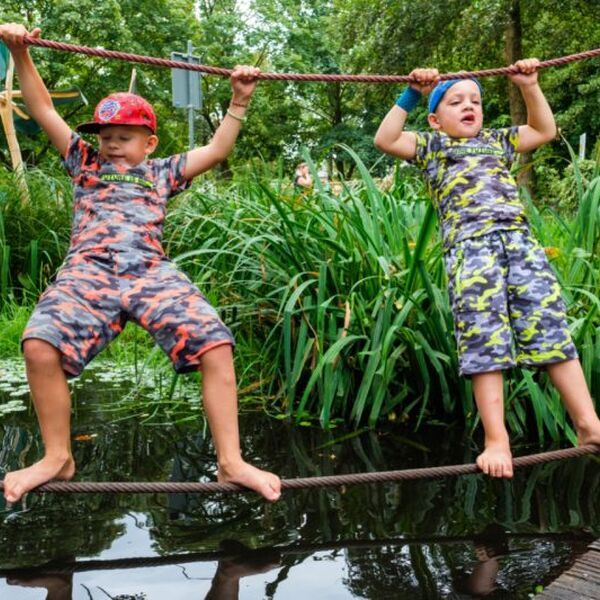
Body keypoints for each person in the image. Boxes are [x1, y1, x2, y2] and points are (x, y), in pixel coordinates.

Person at [0, 23, 281, 503]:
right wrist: (19, 53)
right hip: (88, 271)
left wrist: (240, 100)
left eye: (124, 136)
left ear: (148, 142)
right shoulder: (83, 162)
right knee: (39, 344)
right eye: (106, 135)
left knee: (215, 344)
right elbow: (43, 108)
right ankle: (57, 457)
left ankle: (231, 461)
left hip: (151, 272)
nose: (111, 144)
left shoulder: (162, 171)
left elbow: (217, 150)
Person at [374, 60, 600, 478]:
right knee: (485, 340)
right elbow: (385, 139)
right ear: (434, 119)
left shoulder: (497, 140)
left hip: (520, 244)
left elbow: (544, 131)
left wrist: (529, 85)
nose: (469, 106)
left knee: (550, 326)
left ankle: (588, 423)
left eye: (475, 100)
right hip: (471, 251)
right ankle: (497, 439)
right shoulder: (432, 147)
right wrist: (411, 93)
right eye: (456, 101)